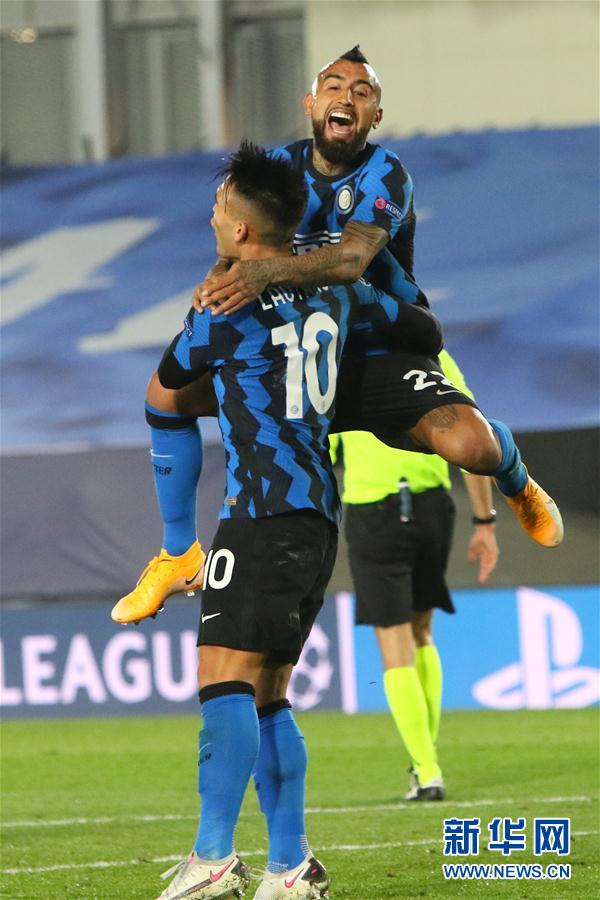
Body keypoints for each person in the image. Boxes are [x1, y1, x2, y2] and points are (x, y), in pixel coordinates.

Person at [112, 46, 562, 628]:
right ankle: (179, 554)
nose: (346, 96)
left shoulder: (385, 174)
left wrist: (261, 273)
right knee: (165, 396)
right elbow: (237, 240)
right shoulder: (277, 166)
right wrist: (221, 275)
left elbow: (351, 260)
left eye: (362, 91)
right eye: (333, 86)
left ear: (375, 115)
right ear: (310, 102)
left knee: (469, 447)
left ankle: (517, 482)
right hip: (295, 349)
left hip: (379, 345)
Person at [148, 142, 437, 900]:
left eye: (221, 208)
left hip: (261, 510)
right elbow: (419, 328)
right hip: (315, 514)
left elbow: (164, 389)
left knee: (223, 675)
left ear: (243, 231)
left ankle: (214, 858)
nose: (214, 215)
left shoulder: (223, 308)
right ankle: (291, 865)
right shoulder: (340, 296)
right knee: (268, 689)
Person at [330, 349, 499, 802]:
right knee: (422, 632)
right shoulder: (432, 354)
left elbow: (319, 447)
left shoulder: (341, 354)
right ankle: (428, 760)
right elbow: (473, 429)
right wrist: (484, 523)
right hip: (431, 507)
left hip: (373, 508)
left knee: (394, 643)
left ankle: (427, 770)